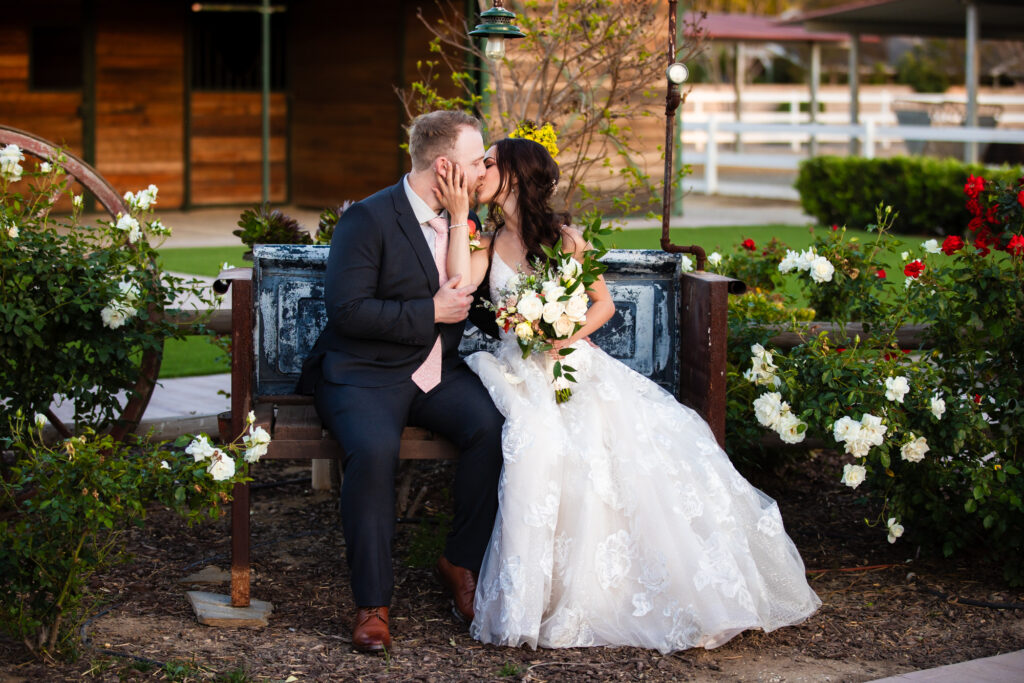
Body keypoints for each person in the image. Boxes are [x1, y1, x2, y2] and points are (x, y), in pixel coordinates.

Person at [434, 137, 821, 654]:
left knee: (619, 438)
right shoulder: (484, 242)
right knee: (540, 440)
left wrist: (565, 333)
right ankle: (540, 593)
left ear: (515, 176)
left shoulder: (567, 240)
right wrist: (460, 217)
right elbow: (458, 282)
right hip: (516, 367)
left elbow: (604, 306)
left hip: (571, 359)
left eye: (489, 164)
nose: (479, 171)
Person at [297, 110, 505, 653]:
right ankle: (372, 606)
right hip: (363, 374)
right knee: (372, 450)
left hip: (435, 372)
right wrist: (428, 310)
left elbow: (468, 296)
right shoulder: (367, 219)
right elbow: (347, 311)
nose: (484, 168)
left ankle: (458, 561)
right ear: (444, 166)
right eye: (476, 160)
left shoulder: (463, 217)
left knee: (493, 428)